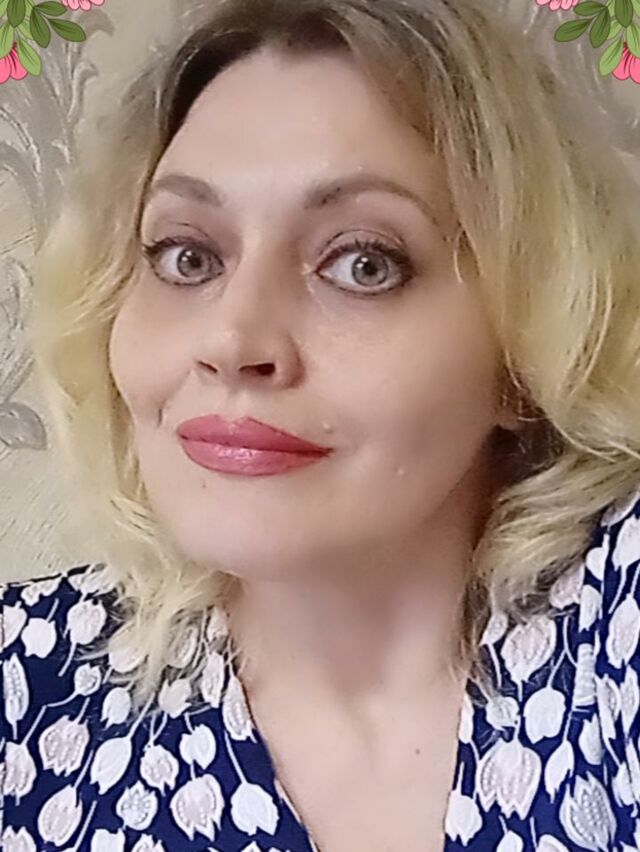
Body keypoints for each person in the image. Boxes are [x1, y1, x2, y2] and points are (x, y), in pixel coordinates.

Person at [2, 0, 640, 849]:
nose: (232, 342)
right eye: (187, 257)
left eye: (363, 263)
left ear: (524, 348)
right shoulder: (26, 689)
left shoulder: (612, 630)